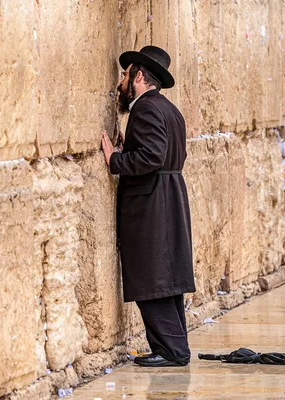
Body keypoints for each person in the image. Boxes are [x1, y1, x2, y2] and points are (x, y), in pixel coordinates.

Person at [100, 46, 195, 367]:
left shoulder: (146, 108)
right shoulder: (167, 108)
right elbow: (162, 151)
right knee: (164, 279)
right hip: (167, 197)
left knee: (153, 278)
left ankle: (173, 351)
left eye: (125, 75)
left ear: (139, 76)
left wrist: (115, 158)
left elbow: (152, 156)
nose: (121, 82)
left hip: (152, 202)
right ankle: (173, 347)